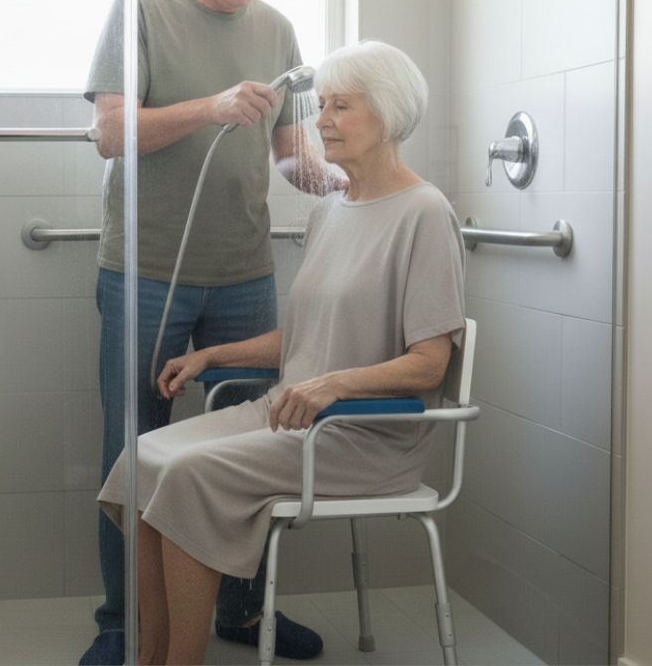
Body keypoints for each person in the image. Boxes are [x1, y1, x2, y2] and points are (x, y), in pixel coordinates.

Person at [96, 39, 468, 665]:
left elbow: (430, 363)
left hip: (361, 437)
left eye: (340, 107)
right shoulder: (332, 211)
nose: (320, 121)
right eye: (321, 105)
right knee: (143, 460)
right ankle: (150, 655)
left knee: (187, 475)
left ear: (390, 112)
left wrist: (332, 386)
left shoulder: (425, 213)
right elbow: (303, 335)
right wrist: (212, 357)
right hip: (290, 413)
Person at [80, 0, 341, 666]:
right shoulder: (144, 12)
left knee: (257, 440)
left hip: (243, 272)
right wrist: (210, 107)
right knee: (134, 443)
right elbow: (108, 132)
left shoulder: (279, 29)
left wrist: (331, 178)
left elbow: (293, 152)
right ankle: (122, 626)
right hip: (147, 269)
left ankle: (241, 608)